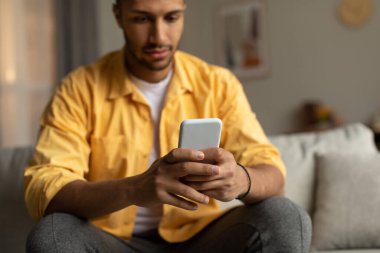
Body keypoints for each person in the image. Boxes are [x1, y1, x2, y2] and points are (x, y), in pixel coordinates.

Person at [24, 0, 311, 252]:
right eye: (141, 18)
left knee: (285, 216)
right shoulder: (77, 90)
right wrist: (135, 188)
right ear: (118, 15)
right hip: (111, 242)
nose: (159, 36)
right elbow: (46, 188)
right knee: (52, 233)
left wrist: (241, 180)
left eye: (171, 17)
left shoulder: (218, 84)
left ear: (183, 12)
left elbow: (272, 173)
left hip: (202, 238)